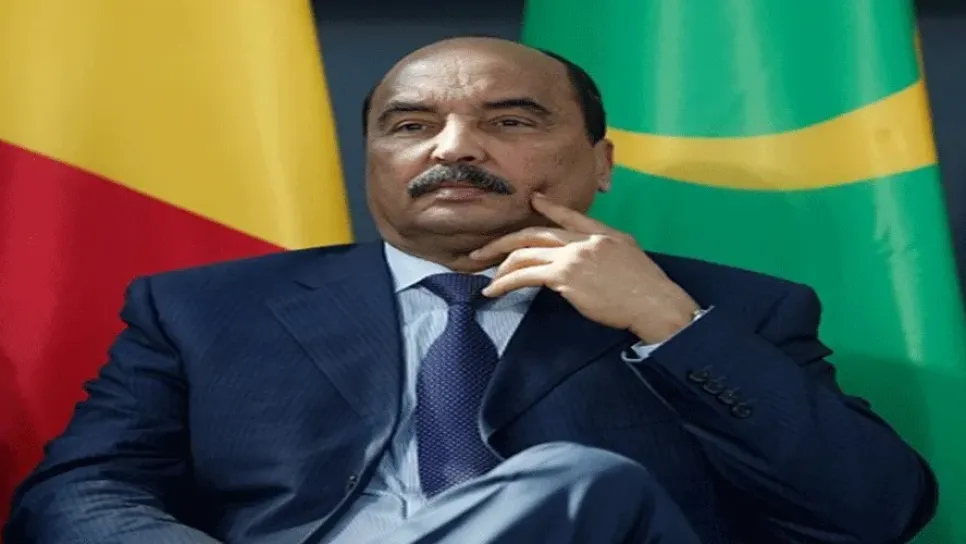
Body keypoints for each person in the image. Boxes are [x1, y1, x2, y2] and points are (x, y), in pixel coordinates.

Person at [4, 37, 937, 544]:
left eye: (512, 121)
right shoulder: (203, 310)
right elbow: (79, 494)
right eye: (410, 125)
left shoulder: (727, 309)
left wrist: (666, 321)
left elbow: (874, 512)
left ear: (601, 162)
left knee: (581, 481)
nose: (453, 147)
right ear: (372, 160)